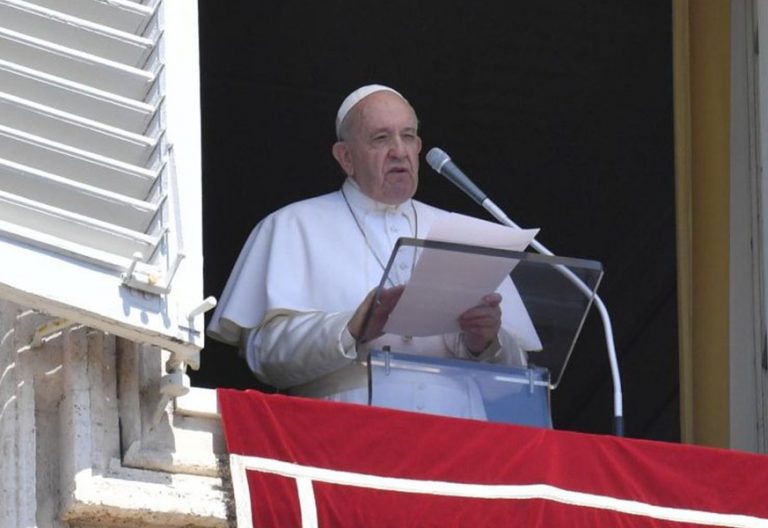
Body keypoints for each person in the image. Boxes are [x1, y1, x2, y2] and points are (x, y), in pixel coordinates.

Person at [207, 84, 530, 419]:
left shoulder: (467, 235)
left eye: (408, 137)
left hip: (459, 437)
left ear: (419, 147)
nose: (399, 151)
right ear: (346, 157)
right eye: (381, 138)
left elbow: (518, 381)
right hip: (346, 432)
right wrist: (351, 328)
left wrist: (487, 342)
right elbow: (265, 355)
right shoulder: (292, 225)